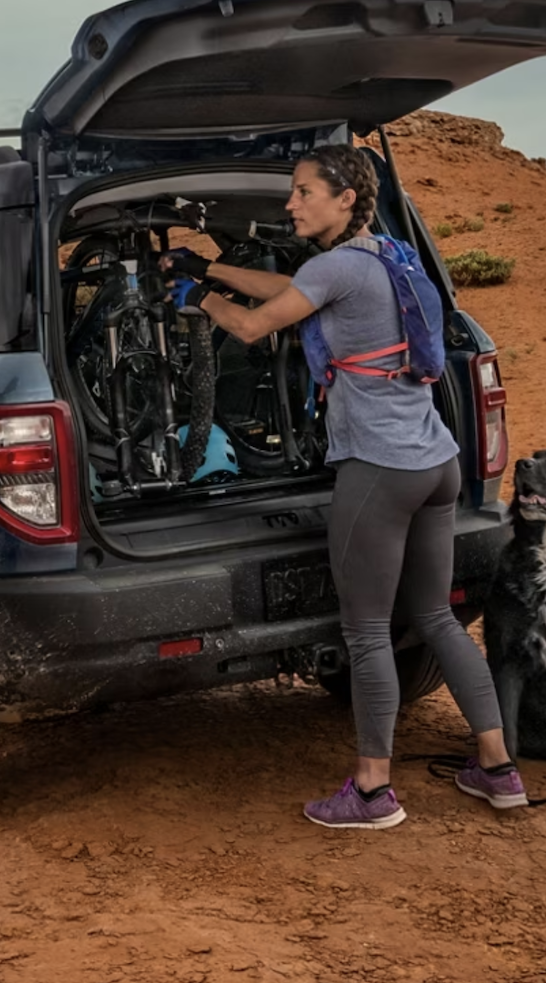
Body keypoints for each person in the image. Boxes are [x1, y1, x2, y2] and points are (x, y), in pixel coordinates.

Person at [163, 143, 525, 829]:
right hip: (436, 462)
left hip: (379, 470)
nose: (291, 203)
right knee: (437, 617)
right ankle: (498, 769)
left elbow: (249, 324)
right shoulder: (388, 255)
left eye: (303, 191)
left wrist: (197, 295)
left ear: (345, 198)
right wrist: (208, 264)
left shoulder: (333, 268)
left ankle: (370, 790)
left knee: (364, 631)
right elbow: (295, 290)